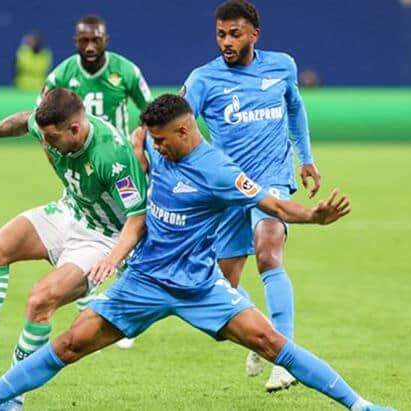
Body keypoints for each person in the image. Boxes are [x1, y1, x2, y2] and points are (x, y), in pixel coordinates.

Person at [0, 94, 394, 411]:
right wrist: (140, 144)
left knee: (271, 343)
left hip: (199, 286)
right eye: (152, 140)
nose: (155, 148)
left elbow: (272, 204)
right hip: (143, 280)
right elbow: (140, 156)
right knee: (68, 344)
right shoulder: (156, 144)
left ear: (184, 131)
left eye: (161, 141)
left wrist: (313, 216)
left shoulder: (219, 171)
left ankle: (361, 405)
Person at [135, 0, 320, 390]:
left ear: (254, 34)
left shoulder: (282, 66)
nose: (226, 42)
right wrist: (153, 156)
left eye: (235, 34)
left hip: (272, 178)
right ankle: (263, 329)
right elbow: (170, 124)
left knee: (268, 251)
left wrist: (306, 159)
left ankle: (285, 359)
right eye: (221, 34)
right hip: (227, 188)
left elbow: (295, 107)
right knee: (223, 284)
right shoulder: (203, 79)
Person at [0, 89, 147, 410]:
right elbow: (24, 121)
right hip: (69, 212)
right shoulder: (50, 127)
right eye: (43, 136)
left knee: (40, 300)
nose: (45, 143)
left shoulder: (112, 155)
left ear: (75, 129)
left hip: (102, 239)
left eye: (52, 138)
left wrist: (114, 259)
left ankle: (12, 399)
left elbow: (138, 217)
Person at [41, 14, 152, 140]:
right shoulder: (61, 75)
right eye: (84, 41)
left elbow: (150, 110)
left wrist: (139, 138)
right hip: (79, 150)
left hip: (117, 149)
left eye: (96, 40)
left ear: (106, 40)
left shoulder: (127, 71)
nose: (90, 48)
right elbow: (39, 115)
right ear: (76, 42)